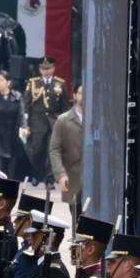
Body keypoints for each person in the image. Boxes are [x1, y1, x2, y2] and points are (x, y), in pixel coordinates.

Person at [21, 57, 69, 184]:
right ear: (40, 69)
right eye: (43, 69)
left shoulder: (60, 84)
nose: (46, 71)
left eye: (48, 68)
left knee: (51, 150)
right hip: (37, 123)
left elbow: (65, 107)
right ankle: (36, 174)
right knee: (36, 150)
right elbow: (26, 105)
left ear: (53, 68)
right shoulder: (33, 83)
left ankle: (49, 178)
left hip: (54, 122)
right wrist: (25, 124)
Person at [49, 83, 84, 227]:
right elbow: (54, 148)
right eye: (81, 93)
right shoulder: (63, 120)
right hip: (73, 177)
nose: (84, 96)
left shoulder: (98, 118)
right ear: (75, 95)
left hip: (94, 179)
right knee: (77, 219)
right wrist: (60, 174)